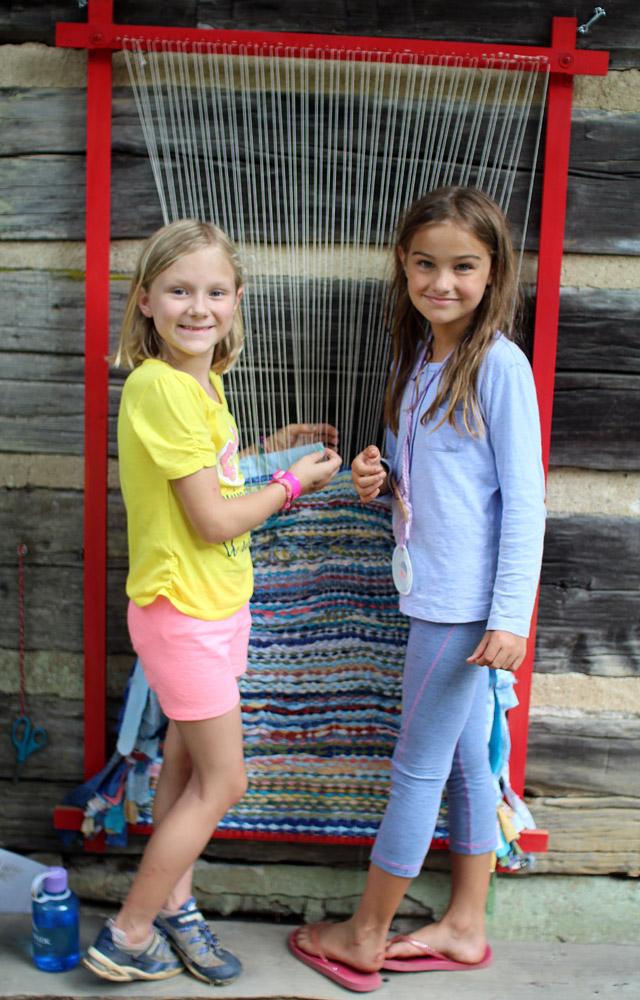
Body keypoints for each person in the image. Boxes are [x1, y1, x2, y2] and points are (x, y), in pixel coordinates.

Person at [289, 185, 546, 992]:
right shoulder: (417, 361)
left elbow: (525, 502)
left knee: (415, 768)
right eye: (427, 264)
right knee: (468, 760)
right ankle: (465, 926)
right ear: (404, 265)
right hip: (431, 592)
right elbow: (424, 477)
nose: (443, 282)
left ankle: (365, 934)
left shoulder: (500, 367)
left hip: (462, 609)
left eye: (464, 266)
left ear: (493, 270)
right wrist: (377, 474)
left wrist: (510, 617)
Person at [83, 219, 342, 986]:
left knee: (186, 768)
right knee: (225, 782)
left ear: (236, 301)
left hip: (219, 603)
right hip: (181, 613)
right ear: (146, 302)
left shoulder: (203, 384)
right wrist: (295, 484)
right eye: (180, 291)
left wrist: (274, 451)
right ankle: (128, 933)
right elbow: (215, 518)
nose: (199, 307)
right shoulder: (160, 385)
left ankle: (176, 908)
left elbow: (215, 479)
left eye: (215, 291)